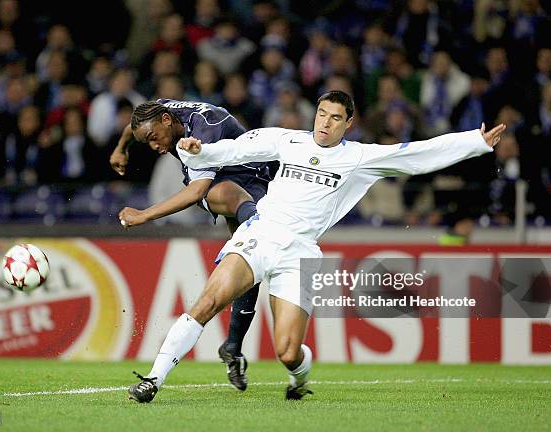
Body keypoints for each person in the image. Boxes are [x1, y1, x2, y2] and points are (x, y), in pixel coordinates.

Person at [127, 90, 506, 403]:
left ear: (348, 123)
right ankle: (154, 380)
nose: (325, 123)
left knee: (289, 352)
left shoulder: (360, 158)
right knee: (208, 302)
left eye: (335, 118)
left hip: (301, 253)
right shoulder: (286, 140)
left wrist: (474, 142)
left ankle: (298, 380)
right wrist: (199, 151)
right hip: (261, 233)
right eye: (322, 114)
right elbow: (233, 151)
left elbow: (418, 156)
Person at [110, 99, 277, 391]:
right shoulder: (159, 115)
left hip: (255, 177)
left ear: (166, 121)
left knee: (250, 264)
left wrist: (144, 215)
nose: (153, 146)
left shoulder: (204, 127)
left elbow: (196, 191)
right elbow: (135, 125)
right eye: (146, 141)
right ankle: (255, 229)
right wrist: (121, 146)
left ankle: (233, 347)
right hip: (226, 184)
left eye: (153, 138)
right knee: (236, 215)